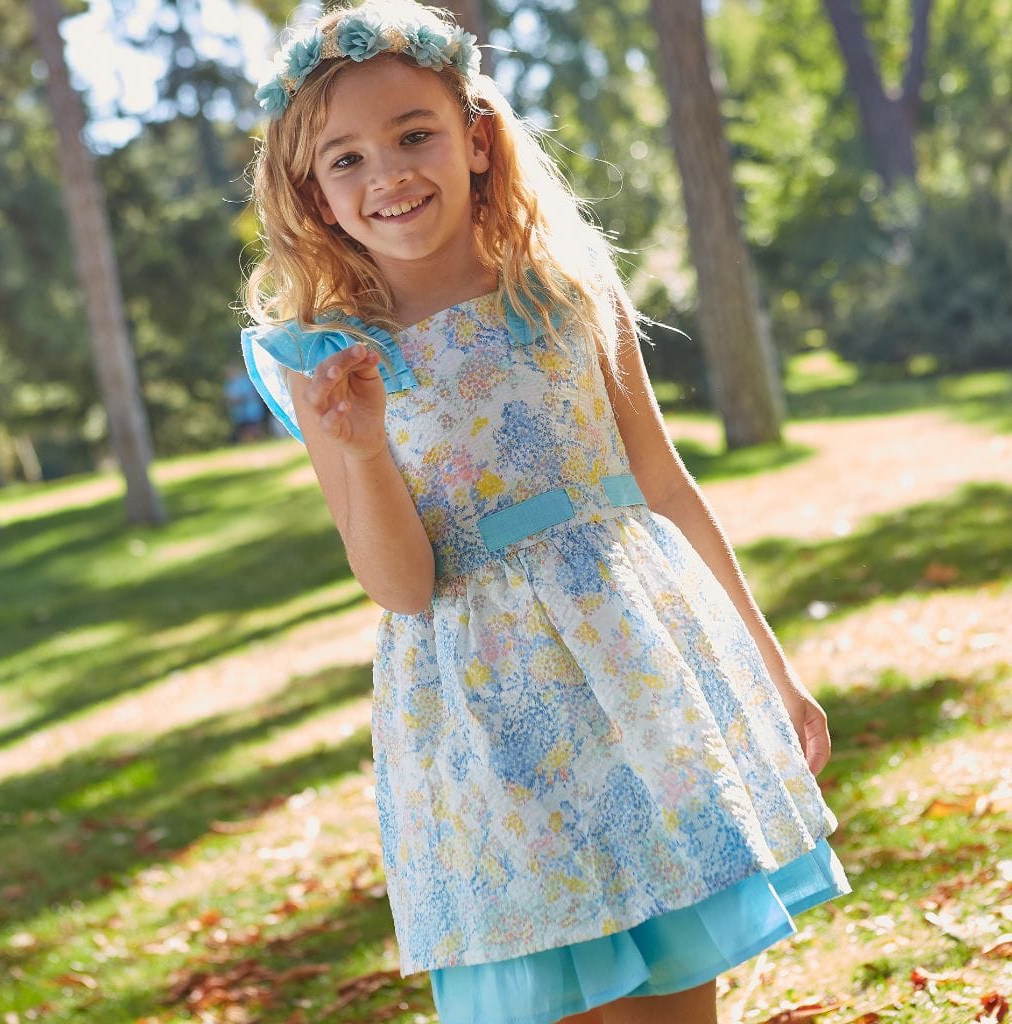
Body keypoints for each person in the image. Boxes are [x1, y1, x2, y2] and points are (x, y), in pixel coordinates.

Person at [239, 3, 852, 1022]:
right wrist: (359, 447)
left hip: (632, 668)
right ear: (314, 191)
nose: (386, 173)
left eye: (413, 134)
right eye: (343, 158)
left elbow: (661, 482)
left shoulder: (565, 286)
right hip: (486, 712)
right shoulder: (327, 359)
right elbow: (400, 585)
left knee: (671, 974)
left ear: (476, 138)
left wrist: (769, 665)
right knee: (556, 978)